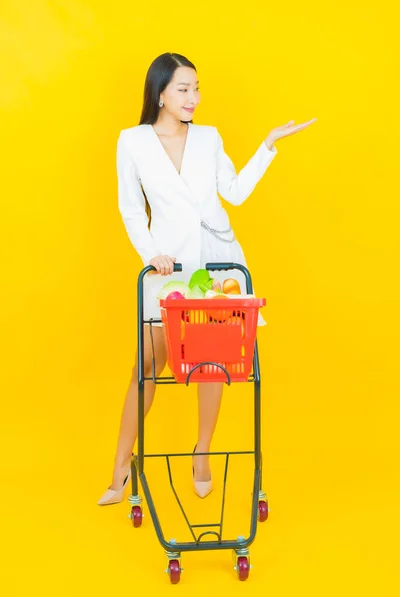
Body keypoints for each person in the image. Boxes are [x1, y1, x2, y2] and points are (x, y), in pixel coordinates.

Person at [97, 52, 317, 505]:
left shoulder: (209, 138)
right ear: (160, 93)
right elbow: (130, 207)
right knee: (147, 370)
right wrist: (150, 253)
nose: (193, 98)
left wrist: (268, 144)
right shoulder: (132, 142)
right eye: (183, 89)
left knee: (213, 363)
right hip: (167, 267)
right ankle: (120, 466)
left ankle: (203, 452)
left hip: (217, 264)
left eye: (197, 88)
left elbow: (234, 192)